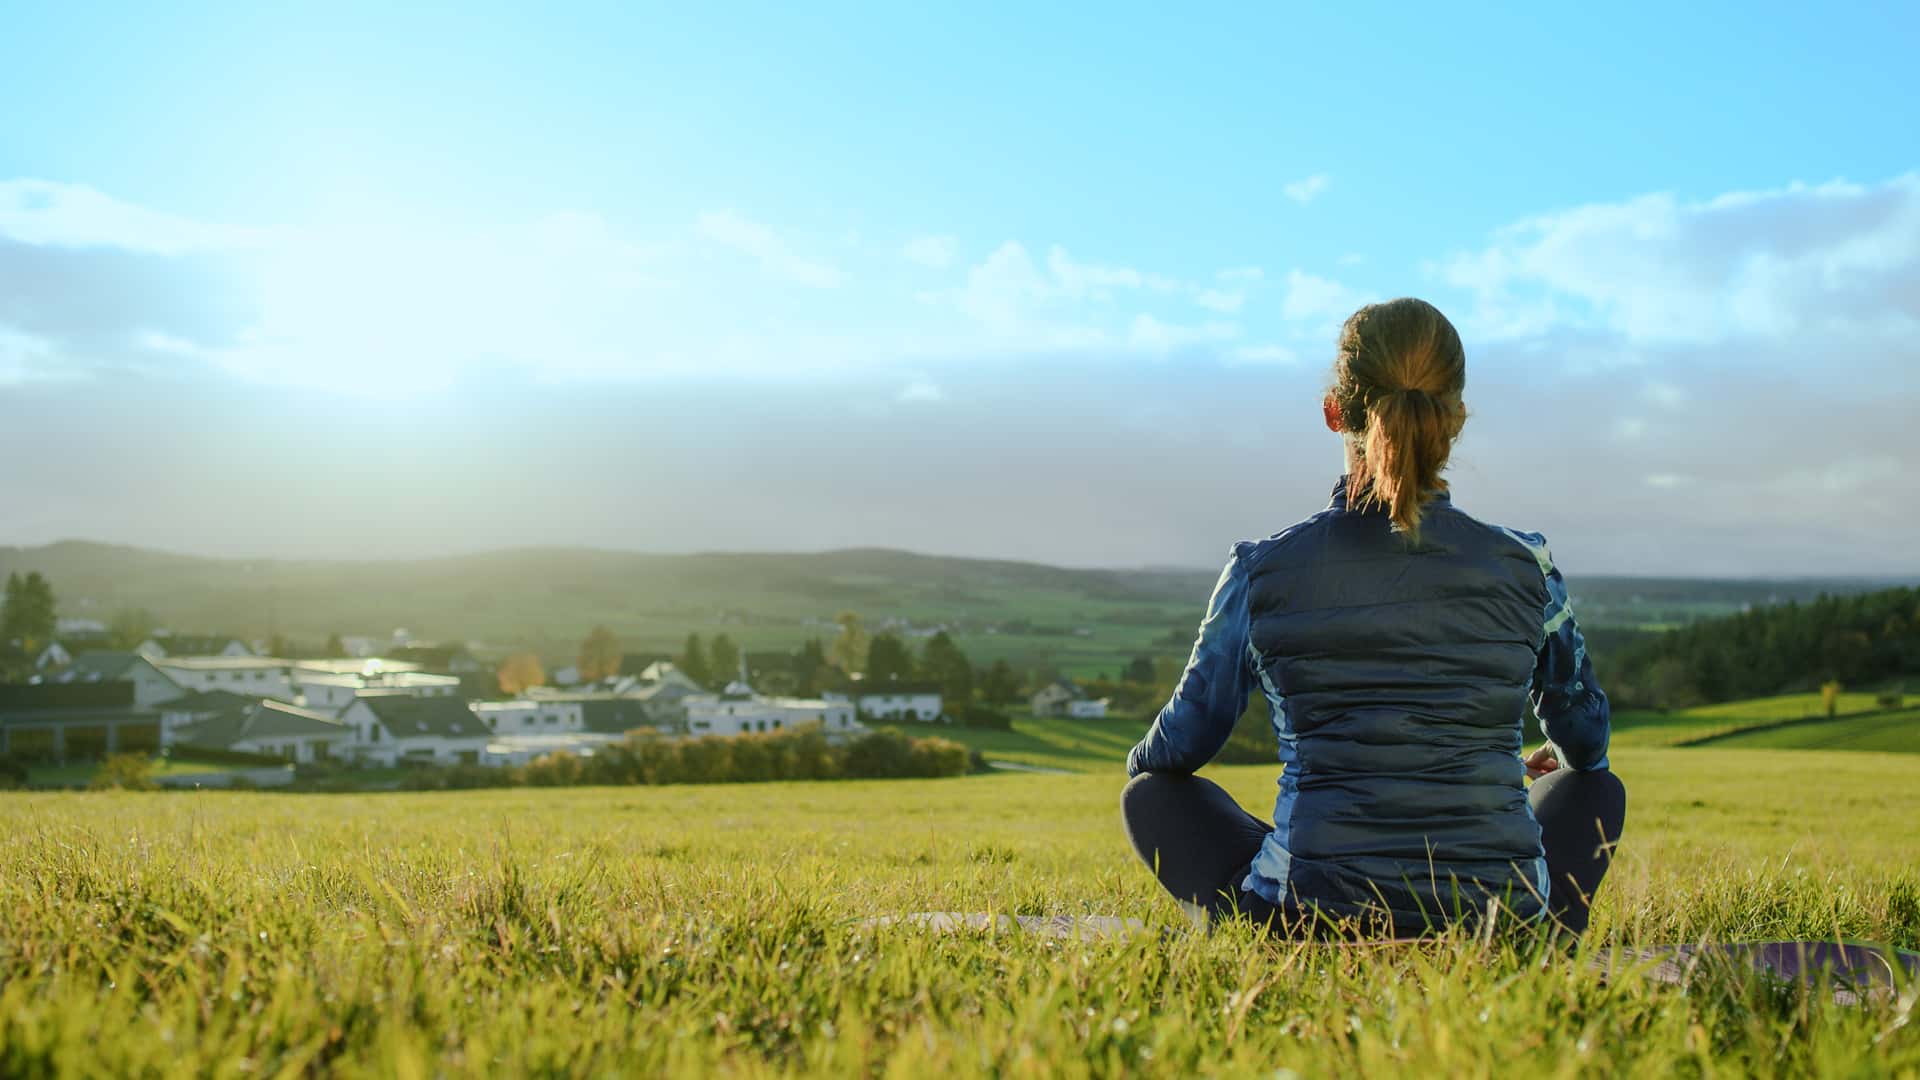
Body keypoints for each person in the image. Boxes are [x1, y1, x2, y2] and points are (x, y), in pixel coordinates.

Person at [1121, 297, 1625, 939]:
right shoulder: (1527, 565)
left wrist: (1137, 762)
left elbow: (1178, 748)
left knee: (1152, 797)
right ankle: (1533, 942)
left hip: (1310, 916)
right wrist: (1521, 758)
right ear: (1458, 418)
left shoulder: (1262, 569)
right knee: (1595, 789)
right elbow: (1585, 742)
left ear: (1334, 413)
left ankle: (1273, 934)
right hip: (1497, 921)